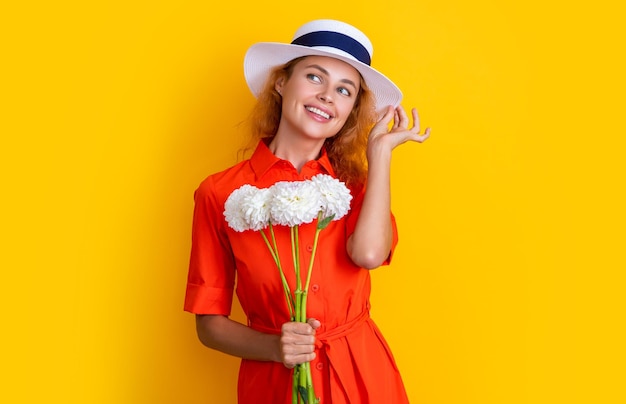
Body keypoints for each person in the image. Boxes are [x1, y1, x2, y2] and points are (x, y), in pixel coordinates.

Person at [184, 19, 430, 403]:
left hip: (362, 377)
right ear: (282, 83)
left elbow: (368, 255)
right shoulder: (220, 193)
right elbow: (209, 324)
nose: (328, 96)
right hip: (274, 384)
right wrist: (273, 348)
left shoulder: (357, 188)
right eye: (315, 77)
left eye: (344, 90)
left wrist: (379, 155)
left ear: (350, 111)